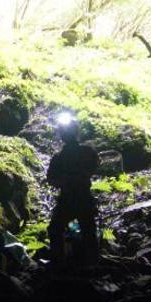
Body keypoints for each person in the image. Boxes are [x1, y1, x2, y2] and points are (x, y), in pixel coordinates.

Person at [46, 114, 100, 267]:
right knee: (88, 231)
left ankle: (59, 262)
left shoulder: (59, 157)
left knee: (56, 229)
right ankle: (92, 262)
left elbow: (51, 180)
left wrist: (66, 180)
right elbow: (96, 166)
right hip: (82, 198)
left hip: (68, 200)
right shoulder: (87, 152)